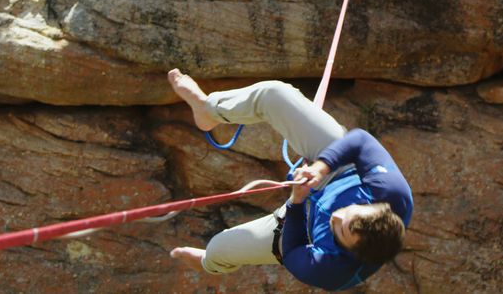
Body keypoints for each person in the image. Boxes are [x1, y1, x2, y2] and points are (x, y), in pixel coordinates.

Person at [166, 69, 413, 291]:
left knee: (219, 247)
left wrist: (296, 202)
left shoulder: (330, 270)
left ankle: (209, 262)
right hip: (339, 171)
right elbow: (360, 141)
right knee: (275, 94)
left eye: (341, 230)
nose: (337, 217)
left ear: (349, 250)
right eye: (349, 212)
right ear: (375, 207)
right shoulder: (392, 193)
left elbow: (294, 249)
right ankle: (208, 109)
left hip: (302, 227)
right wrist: (321, 167)